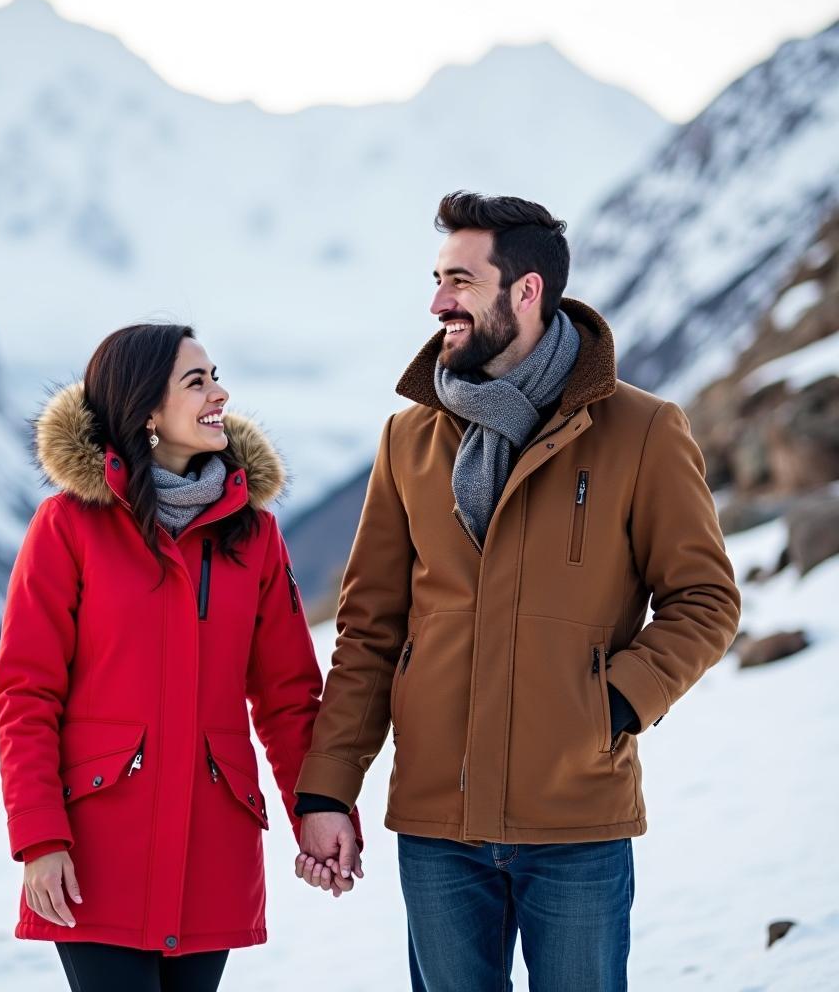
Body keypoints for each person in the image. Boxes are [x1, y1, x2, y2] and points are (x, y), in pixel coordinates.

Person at [291, 191, 741, 990]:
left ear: (526, 292)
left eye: (460, 281)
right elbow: (369, 628)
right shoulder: (409, 439)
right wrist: (329, 787)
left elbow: (705, 598)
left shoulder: (641, 431)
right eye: (437, 280)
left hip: (575, 815)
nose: (438, 303)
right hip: (437, 821)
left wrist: (609, 705)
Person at [0, 324, 358, 992]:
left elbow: (287, 697)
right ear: (147, 410)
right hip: (98, 855)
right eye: (198, 381)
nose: (220, 393)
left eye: (215, 375)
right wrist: (40, 839)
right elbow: (25, 694)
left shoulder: (256, 534)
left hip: (211, 852)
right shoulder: (68, 526)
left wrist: (319, 810)